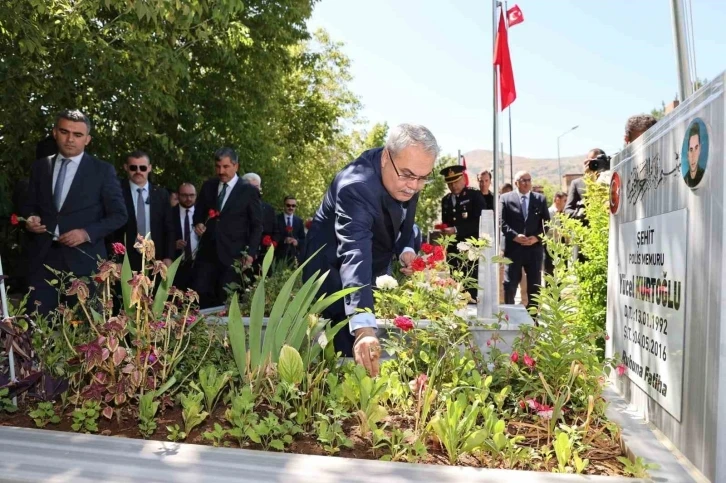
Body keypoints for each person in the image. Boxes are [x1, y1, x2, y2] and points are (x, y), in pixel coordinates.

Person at [303, 123, 438, 376]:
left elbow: (401, 219)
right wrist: (364, 328)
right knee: (342, 355)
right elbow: (354, 253)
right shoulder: (356, 186)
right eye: (408, 176)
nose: (414, 186)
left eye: (423, 178)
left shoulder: (408, 171)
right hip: (334, 274)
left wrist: (406, 248)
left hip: (372, 266)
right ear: (387, 157)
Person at [22, 109, 127, 314]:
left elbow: (119, 215)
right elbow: (29, 206)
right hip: (43, 258)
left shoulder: (102, 170)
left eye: (77, 135)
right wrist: (31, 220)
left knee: (86, 334)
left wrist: (85, 233)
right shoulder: (41, 167)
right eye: (64, 132)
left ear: (87, 139)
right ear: (55, 133)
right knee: (36, 326)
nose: (70, 139)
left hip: (84, 261)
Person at [193, 148, 263, 308]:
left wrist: (250, 253)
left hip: (233, 257)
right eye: (218, 167)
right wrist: (198, 223)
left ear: (236, 166)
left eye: (225, 167)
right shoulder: (208, 187)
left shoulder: (248, 190)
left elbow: (257, 225)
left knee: (226, 301)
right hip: (207, 256)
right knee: (200, 298)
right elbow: (198, 213)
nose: (221, 171)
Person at [112, 151, 175, 271]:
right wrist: (115, 259)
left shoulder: (161, 194)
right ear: (126, 167)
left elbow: (169, 228)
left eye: (142, 167)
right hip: (124, 260)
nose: (138, 171)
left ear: (149, 168)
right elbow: (110, 229)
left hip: (156, 259)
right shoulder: (116, 192)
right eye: (133, 167)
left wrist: (169, 256)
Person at [500, 170, 550, 312]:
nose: (527, 183)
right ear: (516, 183)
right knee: (509, 285)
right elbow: (501, 222)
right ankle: (509, 315)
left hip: (533, 250)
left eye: (529, 180)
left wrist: (537, 238)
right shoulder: (505, 198)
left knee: (534, 287)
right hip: (513, 249)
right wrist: (515, 236)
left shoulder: (540, 199)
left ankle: (532, 319)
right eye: (523, 180)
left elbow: (547, 223)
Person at [440, 165, 489, 300]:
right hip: (453, 251)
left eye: (456, 181)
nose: (453, 185)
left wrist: (456, 230)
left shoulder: (474, 196)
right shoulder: (446, 200)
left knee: (471, 286)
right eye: (450, 182)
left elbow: (480, 222)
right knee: (455, 286)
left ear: (463, 179)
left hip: (470, 250)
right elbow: (446, 223)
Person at [241, 173, 280, 265]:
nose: (255, 190)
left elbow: (276, 232)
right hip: (240, 255)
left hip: (262, 258)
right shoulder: (236, 207)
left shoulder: (269, 209)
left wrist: (272, 244)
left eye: (257, 187)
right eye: (251, 187)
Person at [565, 148, 607, 223]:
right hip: (587, 231)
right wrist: (581, 213)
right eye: (591, 161)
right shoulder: (577, 183)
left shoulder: (609, 180)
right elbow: (567, 210)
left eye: (596, 161)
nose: (594, 164)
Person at [172, 182, 199, 290]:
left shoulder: (203, 214)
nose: (188, 198)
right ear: (178, 195)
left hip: (199, 265)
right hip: (178, 265)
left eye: (192, 195)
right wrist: (173, 244)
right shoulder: (170, 214)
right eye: (184, 195)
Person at [276, 195, 305, 264]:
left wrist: (297, 242)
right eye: (288, 205)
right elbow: (273, 235)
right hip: (278, 257)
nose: (291, 207)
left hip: (294, 258)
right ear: (284, 205)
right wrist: (284, 240)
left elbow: (303, 239)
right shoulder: (276, 219)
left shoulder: (299, 221)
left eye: (293, 206)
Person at [544, 191, 567, 277]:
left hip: (560, 246)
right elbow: (546, 228)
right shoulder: (549, 212)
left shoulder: (562, 213)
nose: (566, 203)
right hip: (550, 247)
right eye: (564, 200)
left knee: (561, 272)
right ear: (557, 200)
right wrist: (561, 232)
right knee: (550, 272)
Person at [684, 123, 705, 187]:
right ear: (687, 154)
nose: (693, 156)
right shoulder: (685, 180)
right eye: (691, 149)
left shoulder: (704, 175)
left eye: (696, 148)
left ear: (700, 149)